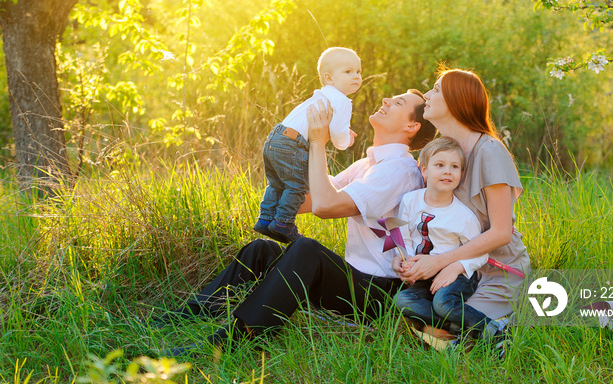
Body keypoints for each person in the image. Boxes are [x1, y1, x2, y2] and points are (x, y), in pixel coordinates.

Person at [156, 90, 437, 357]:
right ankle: (183, 317)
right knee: (261, 250)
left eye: (399, 103)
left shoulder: (398, 170)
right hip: (355, 279)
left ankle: (232, 340)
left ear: (412, 126)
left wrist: (318, 143)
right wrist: (288, 149)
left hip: (380, 294)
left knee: (306, 249)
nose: (387, 99)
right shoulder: (368, 165)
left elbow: (326, 207)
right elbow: (305, 202)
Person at [397, 67, 530, 341]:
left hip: (495, 269)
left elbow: (501, 232)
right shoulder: (441, 153)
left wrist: (442, 263)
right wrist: (410, 262)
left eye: (435, 89)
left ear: (456, 100)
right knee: (426, 323)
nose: (427, 94)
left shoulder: (489, 152)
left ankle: (512, 320)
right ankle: (481, 327)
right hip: (455, 271)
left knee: (442, 328)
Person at [254, 47, 363, 243]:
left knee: (277, 183)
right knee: (298, 185)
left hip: (276, 137)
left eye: (358, 71)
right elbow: (338, 136)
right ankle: (283, 223)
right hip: (292, 144)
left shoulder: (320, 95)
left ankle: (265, 218)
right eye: (348, 72)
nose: (356, 76)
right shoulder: (342, 101)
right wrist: (347, 140)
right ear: (329, 78)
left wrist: (342, 132)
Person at [392, 137, 488, 337]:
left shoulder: (463, 216)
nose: (447, 171)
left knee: (443, 303)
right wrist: (406, 262)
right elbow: (403, 237)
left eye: (455, 167)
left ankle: (492, 330)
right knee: (402, 301)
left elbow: (481, 254)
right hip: (423, 275)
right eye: (440, 165)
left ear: (461, 174)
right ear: (424, 170)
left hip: (456, 275)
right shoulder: (410, 201)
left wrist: (456, 268)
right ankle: (456, 328)